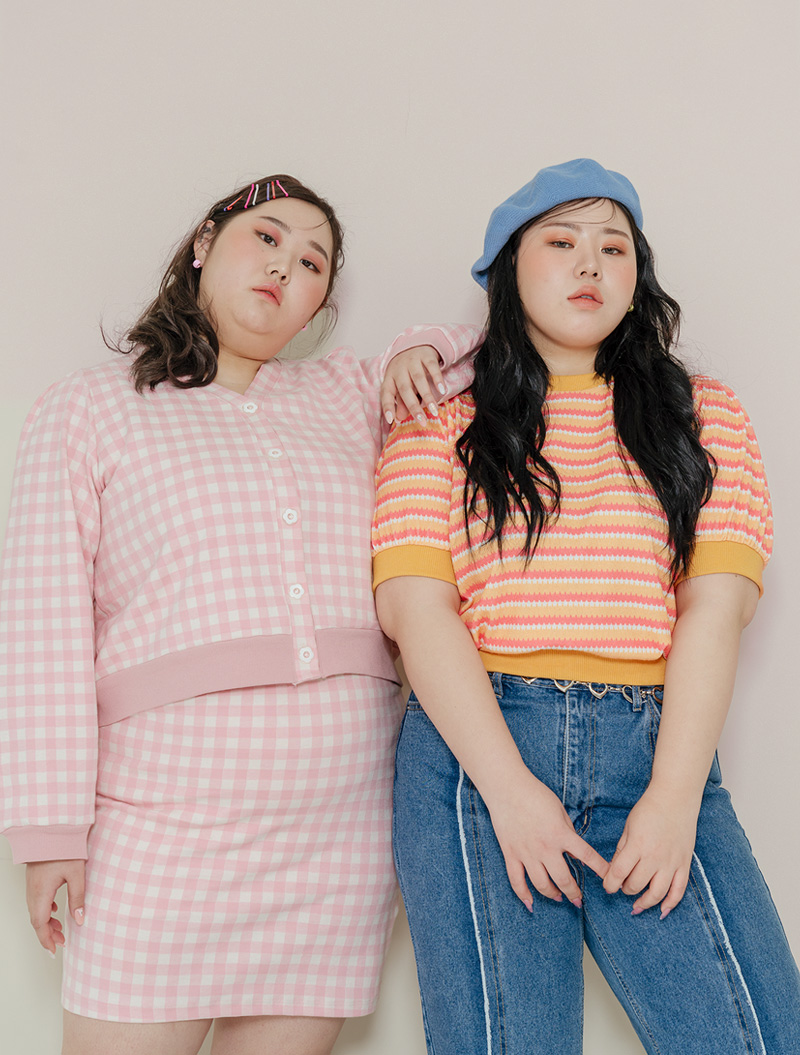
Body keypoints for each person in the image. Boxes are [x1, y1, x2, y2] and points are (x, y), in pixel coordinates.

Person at [0, 172, 479, 1055]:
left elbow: (498, 347)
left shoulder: (352, 395)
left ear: (320, 306)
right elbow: (42, 628)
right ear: (203, 244)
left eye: (312, 262)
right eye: (267, 236)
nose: (285, 266)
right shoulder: (90, 408)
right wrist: (49, 831)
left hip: (337, 837)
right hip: (159, 824)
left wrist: (418, 344)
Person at [372, 158, 800, 1055]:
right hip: (477, 756)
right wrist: (510, 790)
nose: (589, 264)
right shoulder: (439, 418)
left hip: (658, 752)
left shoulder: (704, 415)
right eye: (560, 241)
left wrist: (673, 796)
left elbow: (714, 610)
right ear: (507, 270)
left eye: (614, 247)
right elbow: (417, 612)